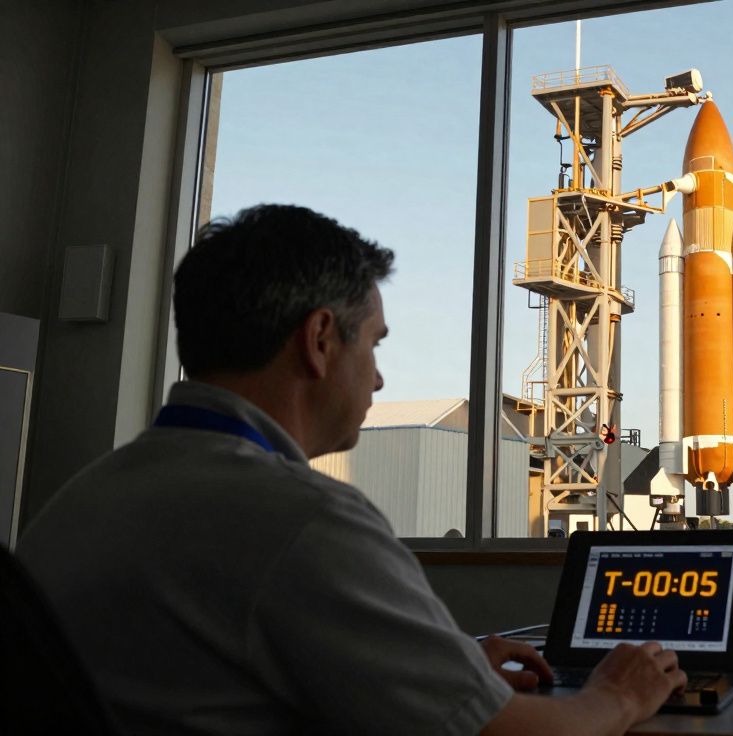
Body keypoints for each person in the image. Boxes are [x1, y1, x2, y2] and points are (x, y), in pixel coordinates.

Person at [18, 204, 686, 735]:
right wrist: (618, 697)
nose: (379, 375)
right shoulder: (304, 519)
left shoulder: (80, 500)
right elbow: (512, 735)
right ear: (318, 341)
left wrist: (443, 678)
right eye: (372, 344)